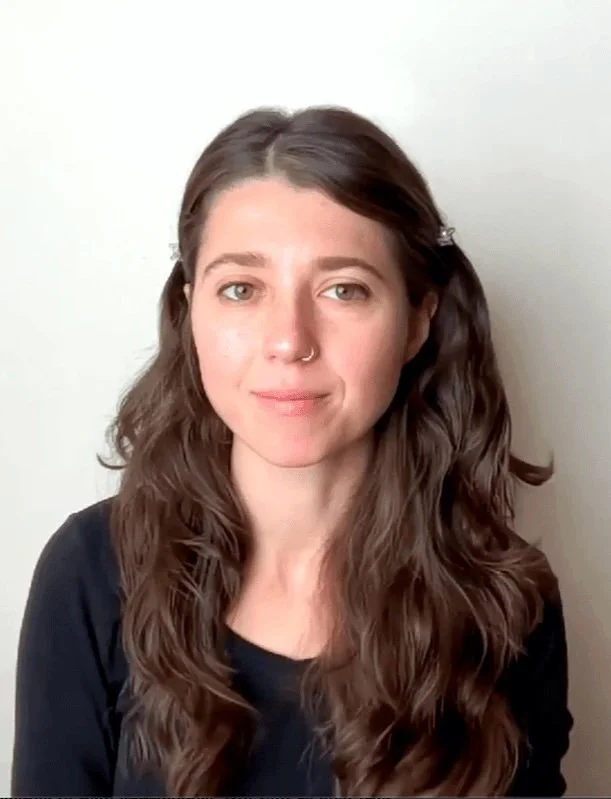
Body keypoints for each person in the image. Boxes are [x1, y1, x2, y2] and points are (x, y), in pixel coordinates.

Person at [11, 105, 573, 797]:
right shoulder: (90, 572)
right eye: (241, 289)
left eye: (343, 289)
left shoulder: (507, 601)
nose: (289, 340)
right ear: (190, 313)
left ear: (417, 321)